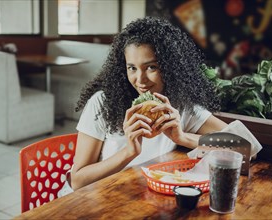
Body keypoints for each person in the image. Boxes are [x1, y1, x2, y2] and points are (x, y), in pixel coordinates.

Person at [58, 16, 227, 197]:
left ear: (170, 67)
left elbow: (246, 148)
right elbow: (77, 181)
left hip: (139, 199)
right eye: (132, 68)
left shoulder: (181, 107)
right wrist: (129, 152)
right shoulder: (102, 103)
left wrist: (183, 137)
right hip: (89, 200)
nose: (140, 80)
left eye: (151, 67)